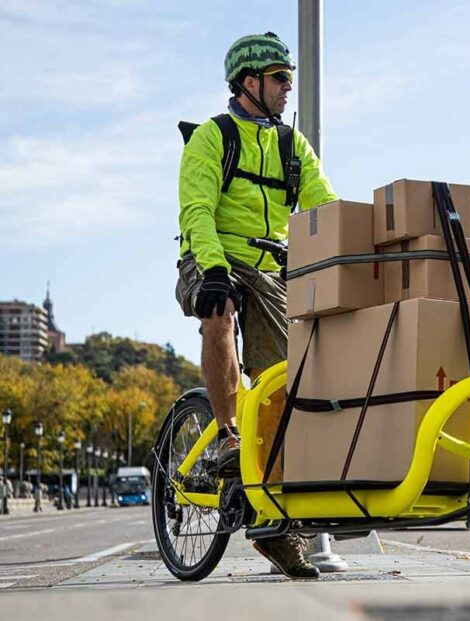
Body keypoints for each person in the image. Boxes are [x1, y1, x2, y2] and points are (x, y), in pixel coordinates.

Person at [176, 32, 338, 579]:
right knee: (218, 309)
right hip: (211, 255)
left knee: (280, 382)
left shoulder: (294, 147)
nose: (288, 87)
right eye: (279, 78)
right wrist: (213, 268)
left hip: (269, 268)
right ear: (249, 82)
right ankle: (225, 434)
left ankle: (273, 528)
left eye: (290, 78)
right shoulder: (211, 139)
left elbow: (326, 207)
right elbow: (196, 210)